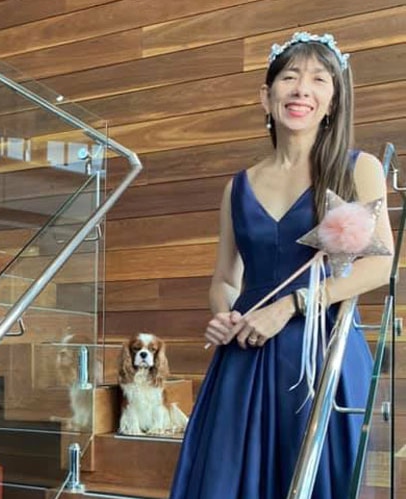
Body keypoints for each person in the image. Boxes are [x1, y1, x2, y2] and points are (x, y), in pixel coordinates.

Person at [169, 32, 393, 499]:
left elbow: (379, 268)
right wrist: (224, 315)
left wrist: (292, 306)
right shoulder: (238, 187)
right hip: (245, 359)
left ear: (333, 101)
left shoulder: (358, 169)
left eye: (318, 79)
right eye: (289, 78)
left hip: (321, 353)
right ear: (266, 97)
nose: (301, 90)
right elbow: (226, 280)